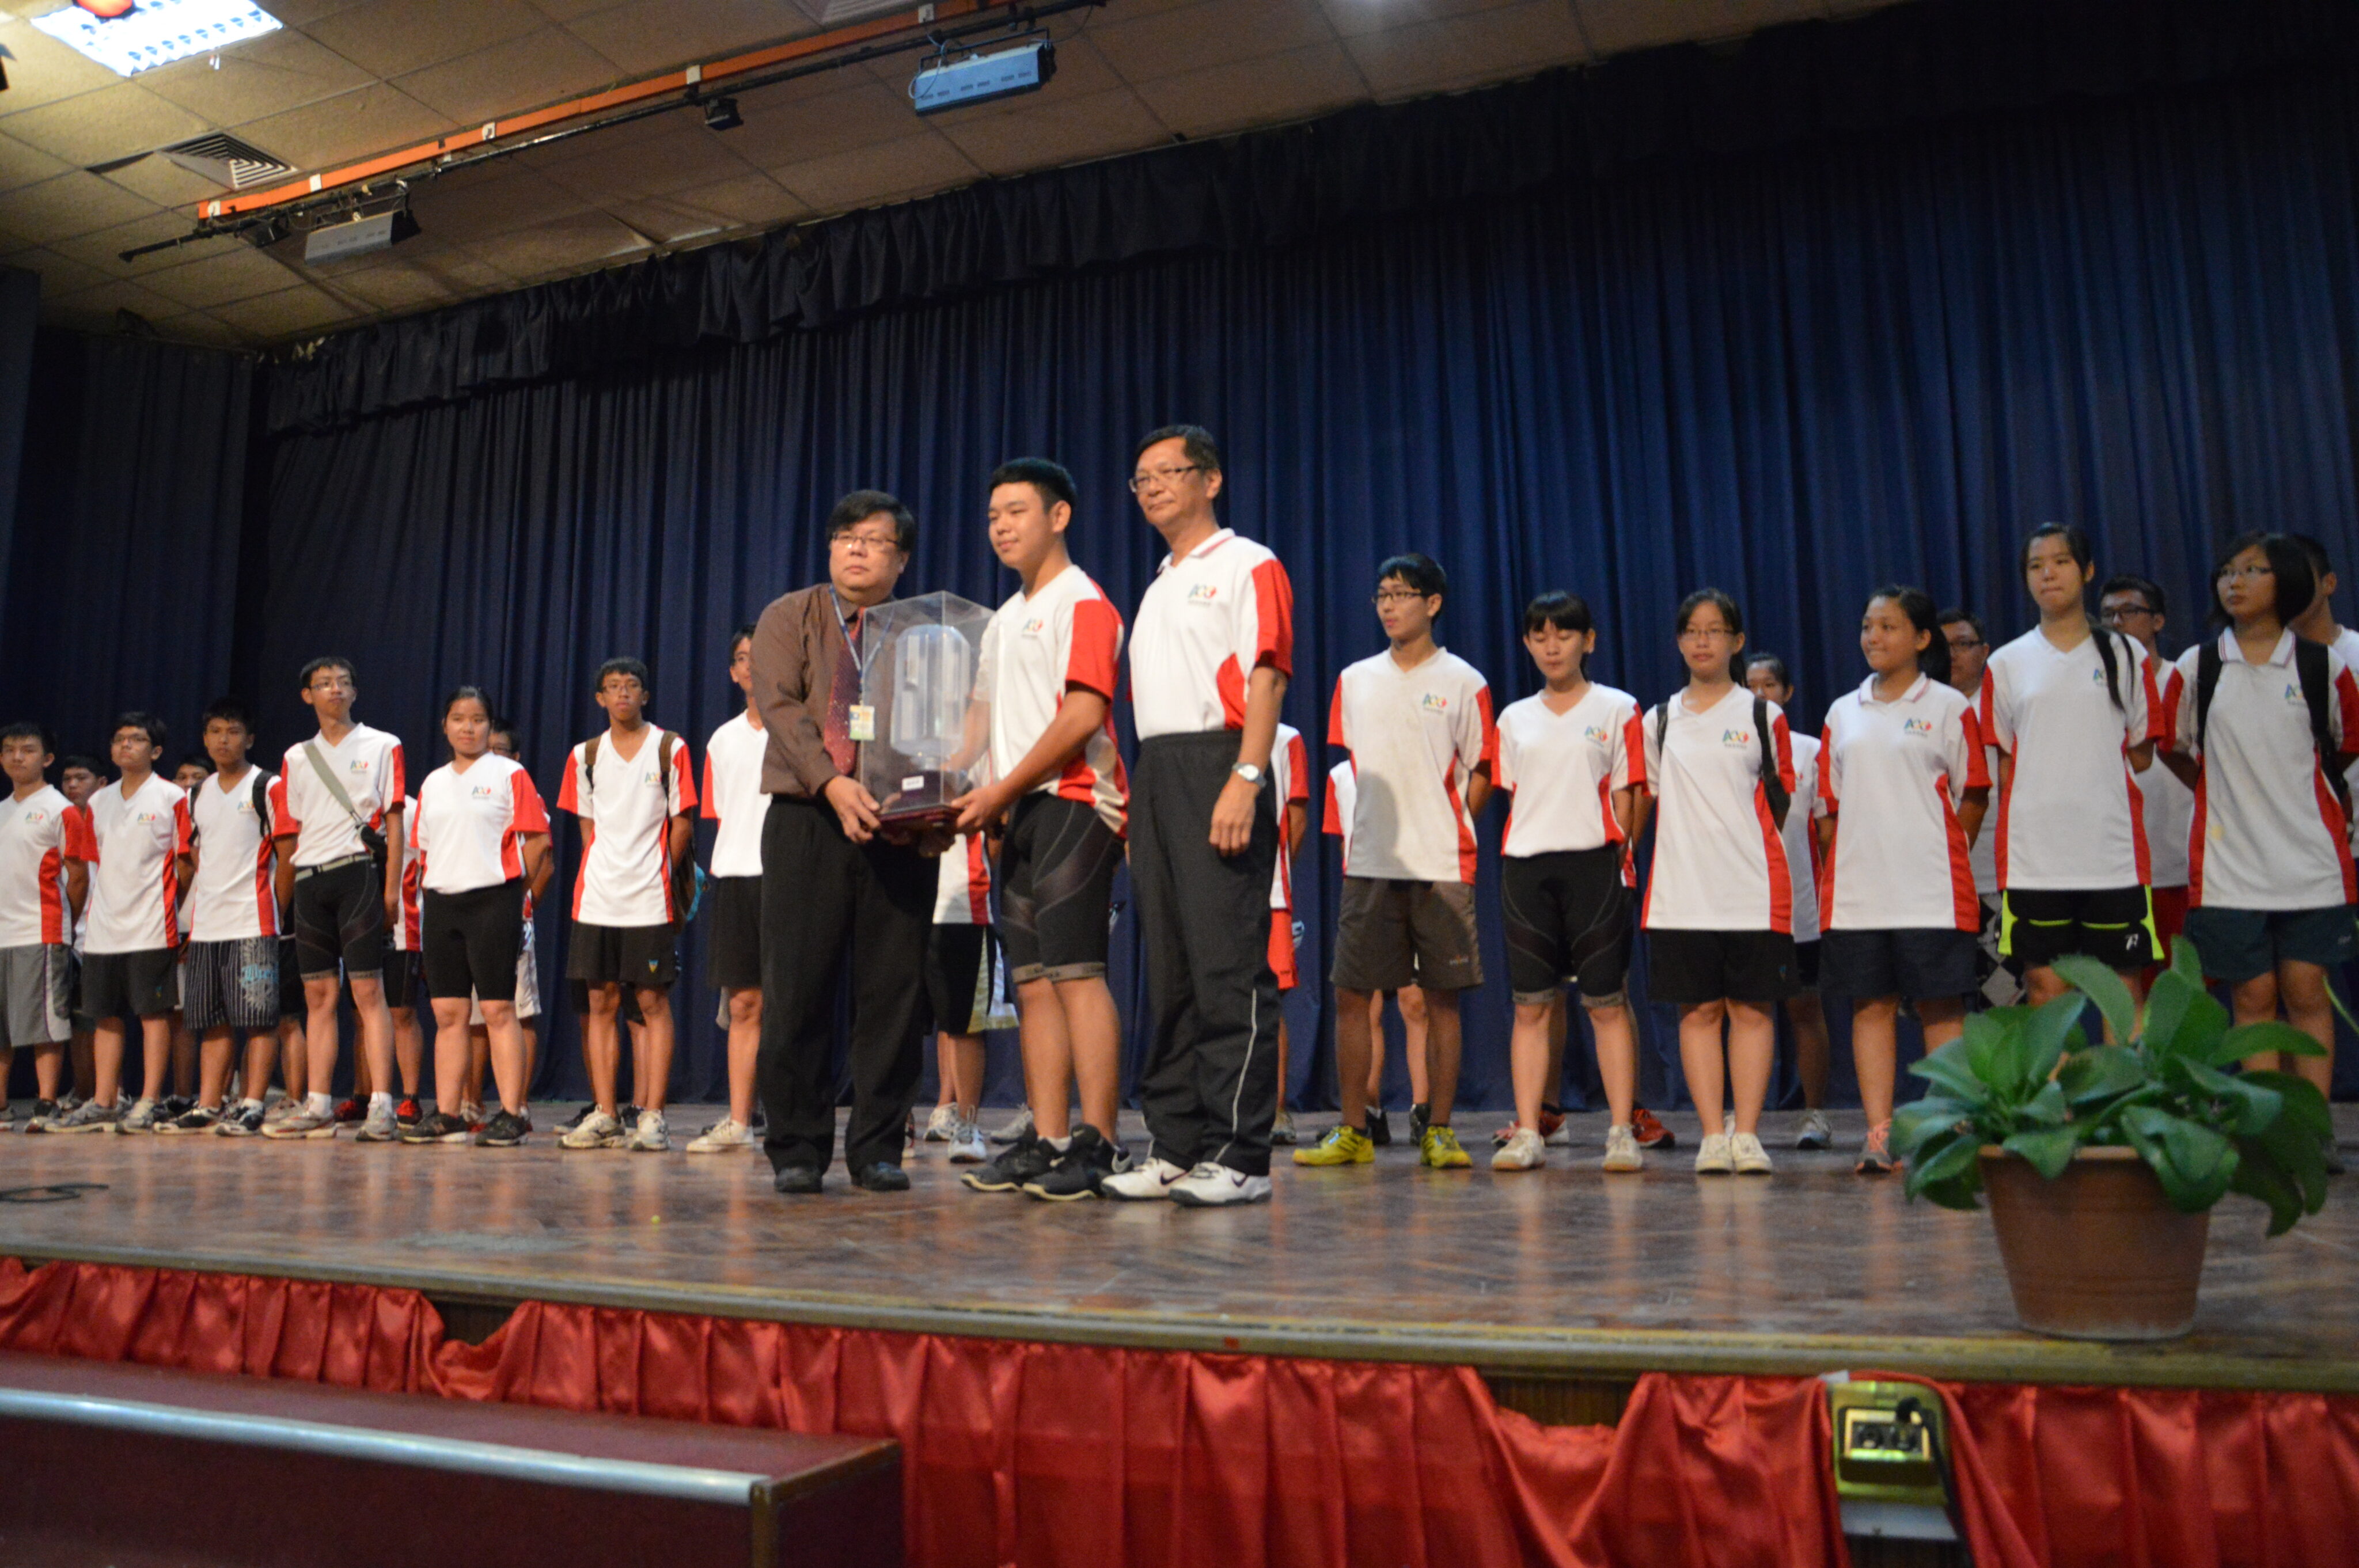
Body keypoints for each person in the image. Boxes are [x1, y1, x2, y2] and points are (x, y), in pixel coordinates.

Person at [1101, 426, 1292, 1208]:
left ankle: (1241, 1154)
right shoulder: (1158, 583)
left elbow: (1268, 673)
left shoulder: (1248, 562)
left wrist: (1247, 775)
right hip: (1159, 772)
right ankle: (1176, 1145)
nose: (1151, 487)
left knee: (1226, 966)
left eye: (1167, 472)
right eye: (1140, 478)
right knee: (1172, 970)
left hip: (1221, 763)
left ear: (1210, 480)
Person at [749, 491, 945, 1195]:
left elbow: (941, 724)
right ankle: (797, 1147)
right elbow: (782, 709)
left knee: (894, 994)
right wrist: (833, 783)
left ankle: (879, 1147)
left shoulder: (925, 630)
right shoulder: (789, 614)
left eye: (874, 539)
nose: (856, 548)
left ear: (902, 558)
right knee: (796, 988)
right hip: (808, 816)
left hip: (898, 825)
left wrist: (930, 806)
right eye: (845, 536)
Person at [950, 457, 1131, 1201]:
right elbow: (980, 719)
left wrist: (1001, 787)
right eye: (993, 514)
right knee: (1031, 985)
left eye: (1016, 511)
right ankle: (1050, 1138)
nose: (1001, 526)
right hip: (1017, 809)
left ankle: (1100, 1142)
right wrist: (939, 784)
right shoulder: (1001, 619)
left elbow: (1083, 714)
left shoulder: (1082, 601)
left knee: (1077, 974)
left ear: (1059, 516)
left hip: (1074, 801)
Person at [2162, 535, 2358, 1151]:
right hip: (2229, 868)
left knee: (2306, 991)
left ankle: (2313, 1131)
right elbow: (2173, 747)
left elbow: (2345, 745)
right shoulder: (2197, 666)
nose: (2235, 581)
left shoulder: (2322, 666)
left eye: (2253, 570)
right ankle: (2266, 1129)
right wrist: (2223, 794)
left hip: (2311, 863)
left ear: (2289, 582)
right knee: (2252, 995)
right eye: (2228, 571)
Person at [1302, 552, 1492, 1173]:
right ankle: (1354, 1127)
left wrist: (1450, 822)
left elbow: (1483, 767)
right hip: (1371, 861)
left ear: (1432, 603)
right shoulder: (1355, 678)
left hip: (1441, 865)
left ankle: (1439, 1128)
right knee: (1352, 994)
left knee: (1441, 999)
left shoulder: (1464, 680)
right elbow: (1353, 765)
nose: (1389, 605)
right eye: (1382, 594)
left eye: (1402, 594)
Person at [1816, 589, 1990, 1174]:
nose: (1874, 637)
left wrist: (1946, 850)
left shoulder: (1948, 706)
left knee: (1941, 1006)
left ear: (1921, 638)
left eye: (1888, 626)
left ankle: (1949, 1125)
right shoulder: (1842, 711)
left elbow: (1974, 792)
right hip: (1859, 894)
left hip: (1932, 890)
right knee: (1871, 1006)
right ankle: (1879, 1131)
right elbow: (1830, 805)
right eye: (1868, 626)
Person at [1633, 590, 1797, 1176]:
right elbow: (1648, 796)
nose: (1702, 641)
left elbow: (1780, 798)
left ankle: (1746, 1133)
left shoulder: (1761, 716)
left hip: (1752, 891)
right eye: (1691, 631)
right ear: (1679, 641)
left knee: (1751, 1010)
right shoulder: (1659, 719)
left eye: (1714, 630)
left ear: (1736, 640)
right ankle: (1710, 1134)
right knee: (1698, 1011)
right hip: (1681, 895)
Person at [1486, 592, 1645, 1174]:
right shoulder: (1513, 718)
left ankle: (1621, 1131)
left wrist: (1618, 854)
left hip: (1596, 868)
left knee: (1606, 1004)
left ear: (1589, 640)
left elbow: (1630, 792)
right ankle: (1529, 1131)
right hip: (1527, 870)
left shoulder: (1618, 708)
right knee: (1530, 1007)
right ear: (1528, 644)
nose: (1552, 646)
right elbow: (1514, 794)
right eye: (1540, 636)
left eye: (1564, 634)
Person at [1979, 526, 2163, 1013]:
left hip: (2112, 853)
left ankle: (2124, 1072)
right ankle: (2059, 1071)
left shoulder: (2127, 654)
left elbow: (2143, 753)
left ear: (2087, 571)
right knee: (2045, 989)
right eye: (2036, 565)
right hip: (2034, 859)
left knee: (2122, 990)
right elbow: (2004, 764)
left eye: (2060, 562)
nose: (2048, 574)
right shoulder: (2006, 663)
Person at [556, 657, 695, 1153]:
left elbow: (682, 822)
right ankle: (606, 1113)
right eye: (613, 686)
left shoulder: (670, 747)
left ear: (645, 695)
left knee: (652, 1003)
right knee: (600, 1003)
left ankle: (653, 1116)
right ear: (600, 698)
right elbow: (587, 826)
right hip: (597, 899)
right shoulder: (585, 755)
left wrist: (656, 872)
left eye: (632, 685)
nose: (622, 694)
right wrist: (609, 869)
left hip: (648, 900)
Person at [403, 687, 552, 1148]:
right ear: (445, 726)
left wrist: (510, 895)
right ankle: (448, 1112)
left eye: (477, 719)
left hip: (494, 901)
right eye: (459, 718)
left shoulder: (509, 774)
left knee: (497, 1009)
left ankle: (512, 1113)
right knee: (449, 1013)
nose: (468, 727)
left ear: (489, 726)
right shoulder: (433, 782)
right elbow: (425, 849)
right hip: (441, 903)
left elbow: (538, 842)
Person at [265, 656, 406, 1141]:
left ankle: (382, 1104)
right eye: (324, 683)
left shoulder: (383, 744)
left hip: (358, 874)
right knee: (318, 996)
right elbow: (294, 829)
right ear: (308, 695)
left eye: (343, 682)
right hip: (311, 879)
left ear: (355, 692)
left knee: (368, 992)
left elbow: (394, 820)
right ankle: (319, 1103)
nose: (335, 690)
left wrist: (391, 888)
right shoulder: (297, 756)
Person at [48, 713, 192, 1133]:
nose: (126, 745)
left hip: (152, 926)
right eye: (119, 739)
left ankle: (148, 1100)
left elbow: (185, 864)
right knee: (105, 1017)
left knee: (153, 1015)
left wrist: (176, 911)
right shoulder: (99, 802)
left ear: (156, 750)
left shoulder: (171, 797)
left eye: (137, 739)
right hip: (103, 930)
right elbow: (93, 865)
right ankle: (104, 1100)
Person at [165, 702, 283, 1137]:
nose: (223, 739)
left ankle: (252, 1103)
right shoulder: (197, 793)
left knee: (258, 1018)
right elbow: (193, 855)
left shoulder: (268, 786)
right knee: (210, 1019)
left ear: (249, 738)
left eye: (233, 731)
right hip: (207, 926)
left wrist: (276, 907)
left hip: (253, 922)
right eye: (215, 731)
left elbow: (288, 854)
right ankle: (210, 1103)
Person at [1742, 654, 1834, 1151]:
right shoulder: (1728, 747)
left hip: (1799, 908)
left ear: (1789, 692)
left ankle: (1814, 1112)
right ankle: (1744, 1119)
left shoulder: (1811, 751)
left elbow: (1826, 833)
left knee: (1805, 1007)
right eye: (1750, 685)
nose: (1760, 694)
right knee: (1744, 1012)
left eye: (1770, 684)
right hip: (1741, 905)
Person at [688, 627, 769, 1155]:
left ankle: (788, 1118)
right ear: (734, 672)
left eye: (762, 656)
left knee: (791, 1005)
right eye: (743, 658)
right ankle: (741, 1121)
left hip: (789, 879)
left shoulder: (801, 729)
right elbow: (719, 815)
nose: (753, 666)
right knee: (742, 1003)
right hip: (737, 879)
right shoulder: (721, 739)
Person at [1319, 756, 1428, 1142]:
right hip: (1364, 892)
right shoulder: (1339, 776)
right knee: (1365, 1006)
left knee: (1415, 1002)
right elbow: (1343, 843)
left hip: (1411, 886)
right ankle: (1368, 1112)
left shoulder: (1410, 763)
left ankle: (1424, 1112)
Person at [2100, 576, 2195, 972]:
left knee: (2192, 989)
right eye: (2108, 614)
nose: (2117, 622)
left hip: (2185, 866)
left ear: (2158, 621)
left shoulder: (2186, 679)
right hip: (2120, 869)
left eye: (2130, 611)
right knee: (2130, 988)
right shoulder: (2094, 690)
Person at [464, 716, 547, 1123]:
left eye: (500, 750)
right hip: (469, 915)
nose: (491, 756)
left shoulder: (524, 793)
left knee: (517, 1011)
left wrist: (519, 906)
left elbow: (544, 860)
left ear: (515, 757)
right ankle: (471, 1102)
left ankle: (519, 1104)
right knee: (474, 1016)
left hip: (510, 916)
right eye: (487, 749)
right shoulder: (463, 791)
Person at [0, 725, 77, 1130]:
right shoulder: (1, 810)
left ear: (47, 759)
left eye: (28, 750)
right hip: (2, 933)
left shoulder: (58, 808)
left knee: (46, 1024)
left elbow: (78, 875)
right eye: (10, 750)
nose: (18, 757)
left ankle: (47, 1102)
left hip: (40, 931)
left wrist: (68, 921)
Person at [1941, 609, 2019, 1008]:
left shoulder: (2004, 705)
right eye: (1944, 647)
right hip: (1936, 887)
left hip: (1995, 876)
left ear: (1985, 651)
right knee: (1942, 1010)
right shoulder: (1922, 708)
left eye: (1963, 645)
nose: (1953, 655)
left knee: (2003, 1007)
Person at [925, 833, 996, 1168]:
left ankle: (967, 1126)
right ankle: (896, 1123)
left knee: (964, 1021)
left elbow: (995, 834)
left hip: (961, 899)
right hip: (901, 897)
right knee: (898, 1016)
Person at [1267, 720, 1311, 1146]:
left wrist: (1276, 873)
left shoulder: (1286, 738)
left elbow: (1296, 819)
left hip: (1269, 895)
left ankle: (1277, 1109)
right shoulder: (1205, 729)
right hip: (1214, 894)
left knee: (1269, 1000)